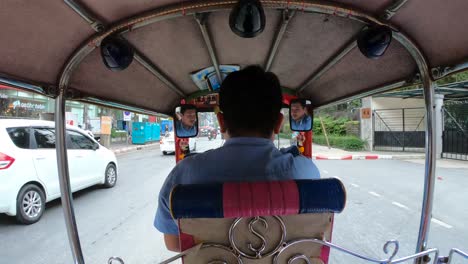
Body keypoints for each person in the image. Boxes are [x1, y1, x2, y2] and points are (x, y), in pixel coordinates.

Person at [154, 65, 320, 252]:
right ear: (278, 123)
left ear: (221, 122)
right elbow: (312, 239)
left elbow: (174, 243)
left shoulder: (184, 174)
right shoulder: (307, 172)